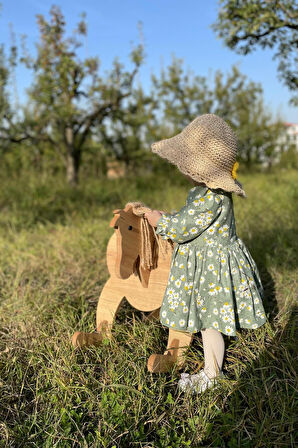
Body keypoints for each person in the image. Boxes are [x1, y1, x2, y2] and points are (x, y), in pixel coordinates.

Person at [144, 114, 267, 394]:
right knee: (208, 320)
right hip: (209, 265)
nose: (182, 169)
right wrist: (171, 216)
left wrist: (159, 221)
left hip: (212, 272)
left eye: (186, 164)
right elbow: (191, 221)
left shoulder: (211, 197)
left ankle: (213, 374)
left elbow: (185, 228)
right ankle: (211, 368)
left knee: (210, 321)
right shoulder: (206, 193)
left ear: (200, 170)